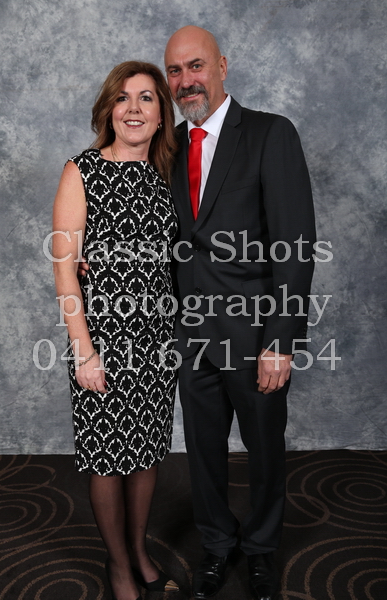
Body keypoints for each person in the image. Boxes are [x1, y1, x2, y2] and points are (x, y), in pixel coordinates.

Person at [164, 26, 317, 600]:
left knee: (264, 449)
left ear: (222, 66)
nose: (186, 81)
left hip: (256, 335)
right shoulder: (167, 146)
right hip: (191, 335)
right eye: (175, 71)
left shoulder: (270, 133)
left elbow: (295, 244)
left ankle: (260, 549)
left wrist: (282, 340)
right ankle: (216, 544)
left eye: (196, 66)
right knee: (203, 451)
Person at [52, 61, 179, 600]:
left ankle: (140, 550)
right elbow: (64, 268)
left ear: (161, 115)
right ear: (109, 109)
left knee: (146, 452)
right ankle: (119, 566)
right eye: (123, 97)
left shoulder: (169, 175)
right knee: (107, 457)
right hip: (101, 338)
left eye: (147, 98)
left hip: (158, 339)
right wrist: (83, 350)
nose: (133, 108)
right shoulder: (82, 170)